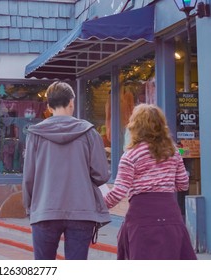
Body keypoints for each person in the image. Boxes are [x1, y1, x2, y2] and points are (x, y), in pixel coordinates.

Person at [22, 81, 110, 260]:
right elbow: (101, 174)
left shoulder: (35, 135)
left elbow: (29, 177)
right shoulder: (89, 133)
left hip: (45, 208)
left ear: (48, 106)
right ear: (71, 102)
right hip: (81, 209)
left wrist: (30, 207)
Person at [104, 104, 196, 260]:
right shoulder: (173, 153)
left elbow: (119, 192)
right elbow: (183, 184)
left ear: (135, 127)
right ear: (161, 126)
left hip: (141, 216)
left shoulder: (130, 156)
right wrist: (162, 185)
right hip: (169, 213)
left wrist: (97, 204)